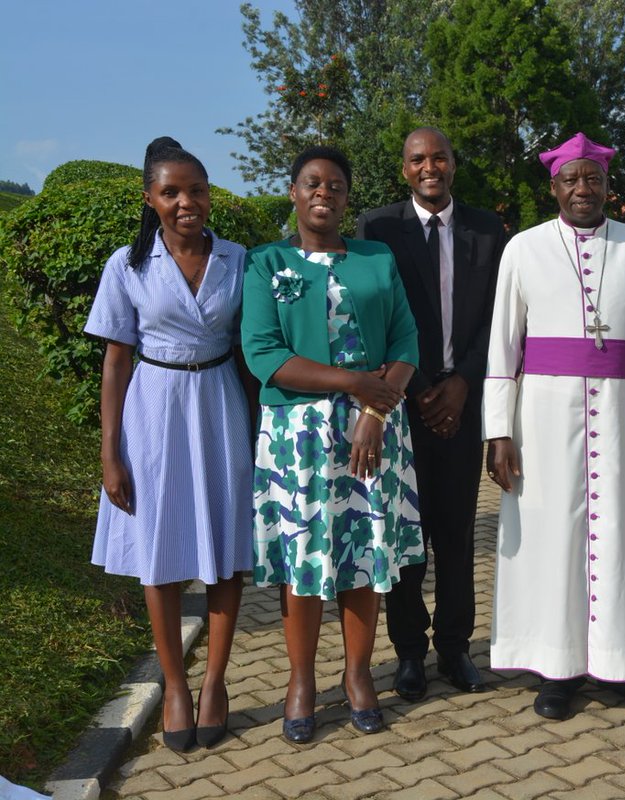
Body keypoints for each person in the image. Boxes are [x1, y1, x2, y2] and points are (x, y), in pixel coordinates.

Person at [483, 132, 625, 720]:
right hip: (544, 420)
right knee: (554, 541)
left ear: (606, 185)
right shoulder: (523, 248)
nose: (582, 188)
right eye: (570, 179)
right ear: (554, 186)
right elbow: (503, 346)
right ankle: (557, 668)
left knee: (623, 537)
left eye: (591, 179)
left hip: (624, 417)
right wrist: (498, 432)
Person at [241, 146, 424, 743]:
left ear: (348, 197)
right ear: (293, 192)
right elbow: (263, 353)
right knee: (306, 559)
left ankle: (357, 676)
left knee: (365, 554)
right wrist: (351, 382)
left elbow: (406, 340)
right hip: (300, 439)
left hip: (375, 431)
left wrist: (373, 407)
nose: (325, 192)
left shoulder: (376, 257)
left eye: (337, 185)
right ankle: (299, 682)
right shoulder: (267, 263)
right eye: (313, 183)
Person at [85, 136, 254, 751]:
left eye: (197, 189)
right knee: (158, 547)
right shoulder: (126, 266)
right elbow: (115, 360)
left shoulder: (240, 260)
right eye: (171, 191)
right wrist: (110, 453)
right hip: (153, 409)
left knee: (226, 543)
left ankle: (214, 682)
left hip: (220, 404)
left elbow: (254, 346)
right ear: (150, 198)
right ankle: (175, 685)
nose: (187, 202)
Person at [357, 127, 505, 700]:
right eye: (418, 158)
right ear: (404, 169)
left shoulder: (487, 229)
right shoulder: (379, 228)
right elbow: (378, 316)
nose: (429, 166)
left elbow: (498, 316)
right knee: (405, 534)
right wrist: (418, 387)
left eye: (439, 156)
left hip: (462, 403)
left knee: (457, 532)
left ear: (453, 163)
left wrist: (464, 383)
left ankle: (455, 647)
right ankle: (410, 654)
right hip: (402, 402)